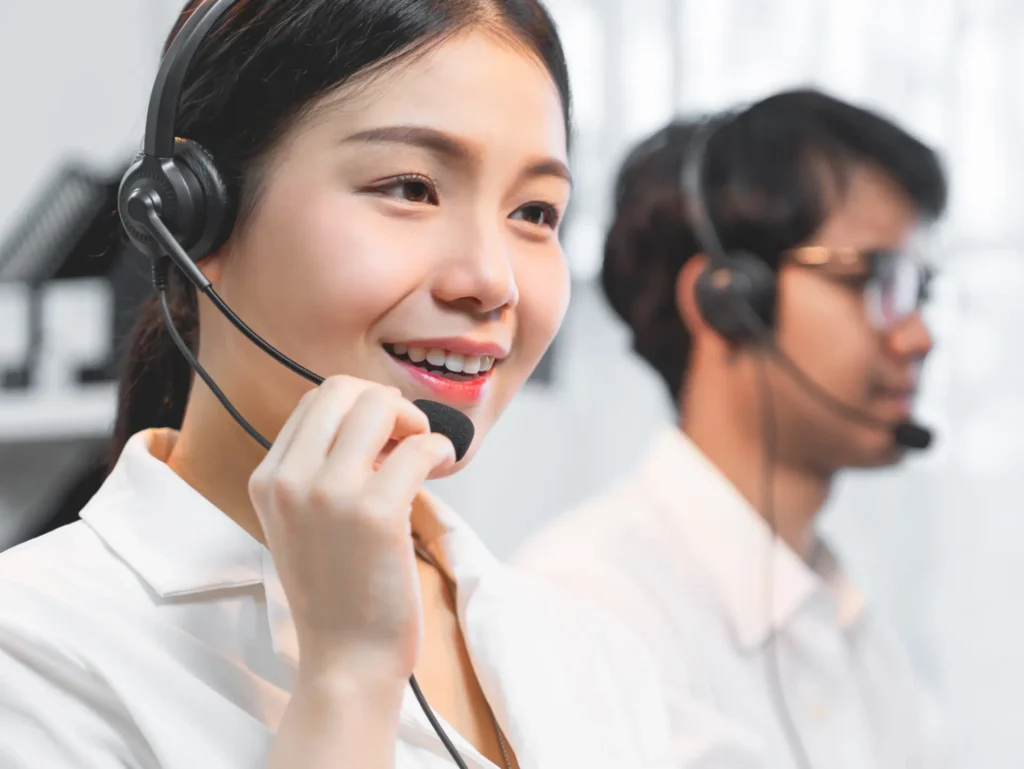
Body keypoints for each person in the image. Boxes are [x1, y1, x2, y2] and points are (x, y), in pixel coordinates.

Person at [0, 2, 737, 767]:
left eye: (535, 211)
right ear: (191, 219)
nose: (493, 282)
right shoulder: (33, 650)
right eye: (411, 188)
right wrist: (348, 676)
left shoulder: (594, 658)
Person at [516, 89, 956, 769]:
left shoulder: (858, 635)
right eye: (879, 279)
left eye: (919, 289)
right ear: (727, 299)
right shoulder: (588, 605)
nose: (919, 335)